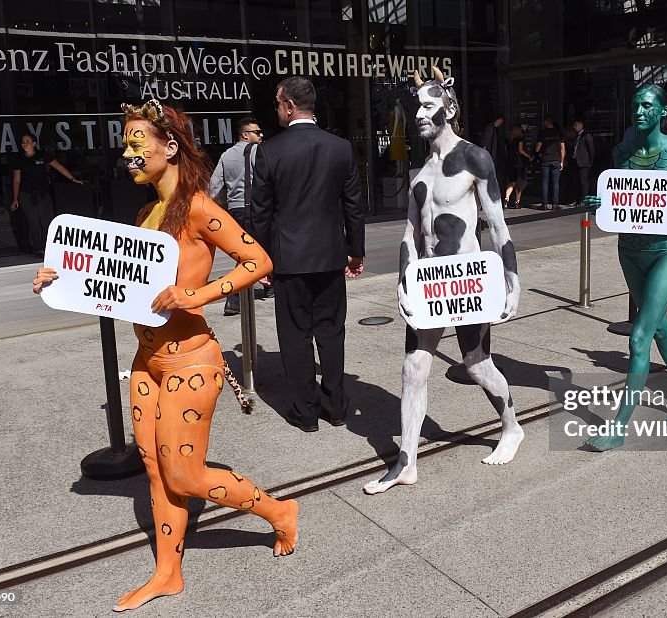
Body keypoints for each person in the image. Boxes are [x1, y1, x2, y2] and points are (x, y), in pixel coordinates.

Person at [33, 99, 298, 612]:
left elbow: (258, 259)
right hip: (146, 361)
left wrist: (195, 296)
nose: (128, 154)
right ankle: (168, 572)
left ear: (170, 147)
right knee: (157, 471)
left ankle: (279, 510)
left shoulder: (198, 206)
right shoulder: (146, 212)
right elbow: (118, 282)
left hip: (192, 360)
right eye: (126, 144)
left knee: (184, 474)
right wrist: (58, 280)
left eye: (138, 144)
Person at [363, 69, 522, 494]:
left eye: (428, 106)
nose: (419, 113)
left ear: (448, 110)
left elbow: (499, 226)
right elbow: (410, 237)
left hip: (468, 280)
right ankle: (406, 462)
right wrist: (402, 283)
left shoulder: (475, 159)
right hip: (431, 284)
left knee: (477, 365)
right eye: (417, 106)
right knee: (413, 368)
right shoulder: (419, 173)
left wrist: (512, 280)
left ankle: (512, 426)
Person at [582, 84, 667, 451]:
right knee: (659, 330)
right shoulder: (622, 152)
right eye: (636, 104)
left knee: (639, 336)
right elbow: (616, 196)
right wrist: (597, 201)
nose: (639, 111)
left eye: (647, 105)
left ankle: (619, 427)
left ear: (661, 112)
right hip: (630, 251)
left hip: (666, 252)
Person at [250, 76, 365, 432]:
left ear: (288, 106)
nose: (276, 110)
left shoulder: (270, 150)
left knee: (295, 334)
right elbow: (354, 206)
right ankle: (337, 407)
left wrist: (261, 259)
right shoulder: (341, 147)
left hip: (288, 260)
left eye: (276, 103)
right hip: (330, 256)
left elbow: (261, 213)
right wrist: (355, 251)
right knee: (331, 332)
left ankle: (305, 411)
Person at [209, 117, 270, 316]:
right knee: (250, 253)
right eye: (257, 132)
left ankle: (270, 285)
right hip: (255, 208)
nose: (261, 135)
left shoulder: (226, 155)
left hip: (235, 209)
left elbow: (215, 185)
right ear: (245, 135)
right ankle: (233, 298)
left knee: (252, 248)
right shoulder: (257, 152)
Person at [11, 132, 84, 257]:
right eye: (23, 142)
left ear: (34, 143)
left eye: (28, 141)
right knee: (33, 222)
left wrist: (73, 179)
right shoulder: (19, 159)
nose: (25, 144)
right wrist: (15, 198)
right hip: (27, 194)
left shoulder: (42, 155)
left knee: (47, 221)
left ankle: (49, 245)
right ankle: (38, 248)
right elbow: (16, 180)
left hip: (43, 193)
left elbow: (58, 167)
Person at [535, 116, 565, 210]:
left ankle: (544, 204)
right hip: (556, 159)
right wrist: (562, 161)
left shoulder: (542, 133)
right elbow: (562, 148)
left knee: (545, 182)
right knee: (556, 183)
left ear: (545, 123)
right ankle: (555, 204)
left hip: (545, 159)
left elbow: (537, 148)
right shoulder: (558, 133)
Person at [503, 124, 532, 209]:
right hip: (519, 164)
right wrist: (529, 156)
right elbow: (521, 150)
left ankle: (506, 197)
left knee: (512, 182)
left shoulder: (509, 140)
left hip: (510, 164)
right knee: (520, 183)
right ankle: (517, 202)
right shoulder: (520, 139)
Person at [480, 113, 507, 200]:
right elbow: (485, 142)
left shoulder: (494, 129)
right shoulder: (490, 128)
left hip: (493, 156)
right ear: (497, 119)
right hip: (490, 156)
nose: (501, 123)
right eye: (501, 121)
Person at [571, 118, 596, 203]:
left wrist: (590, 162)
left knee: (583, 182)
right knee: (576, 182)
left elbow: (591, 150)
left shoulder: (586, 136)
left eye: (576, 125)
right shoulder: (576, 136)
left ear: (581, 125)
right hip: (576, 161)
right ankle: (577, 199)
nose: (574, 127)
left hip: (584, 163)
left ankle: (583, 200)